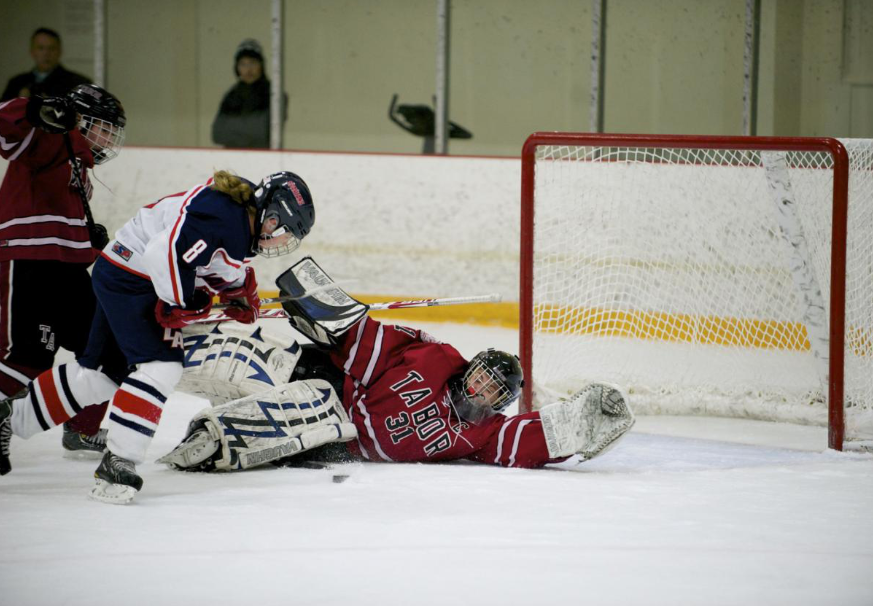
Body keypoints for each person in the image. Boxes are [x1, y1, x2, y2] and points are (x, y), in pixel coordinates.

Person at [0, 169, 317, 505]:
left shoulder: (237, 218)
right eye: (285, 232)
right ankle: (118, 463)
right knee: (161, 366)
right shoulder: (224, 216)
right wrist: (179, 301)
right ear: (272, 216)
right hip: (133, 279)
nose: (283, 241)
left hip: (119, 271)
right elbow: (162, 253)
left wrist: (237, 290)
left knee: (100, 374)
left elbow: (210, 257)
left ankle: (10, 417)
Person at [160, 301, 636, 473]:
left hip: (338, 425)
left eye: (493, 390)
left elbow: (526, 440)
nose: (480, 388)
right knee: (228, 359)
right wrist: (326, 312)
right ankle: (134, 359)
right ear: (469, 366)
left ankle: (211, 442)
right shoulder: (436, 357)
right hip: (333, 377)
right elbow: (366, 340)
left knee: (285, 417)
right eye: (481, 375)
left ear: (500, 403)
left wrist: (577, 425)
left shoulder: (484, 434)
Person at [0, 83, 127, 456]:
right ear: (81, 120)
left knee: (113, 348)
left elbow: (59, 225)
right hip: (29, 264)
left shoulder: (80, 164)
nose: (109, 137)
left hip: (66, 272)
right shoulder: (50, 135)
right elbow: (5, 121)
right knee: (29, 357)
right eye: (104, 126)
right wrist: (37, 108)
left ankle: (82, 429)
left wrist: (88, 240)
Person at [212, 39, 282, 149]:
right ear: (237, 68)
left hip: (263, 159)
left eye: (252, 63)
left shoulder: (274, 94)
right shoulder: (231, 96)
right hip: (231, 160)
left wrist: (234, 130)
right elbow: (217, 134)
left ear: (261, 65)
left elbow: (262, 133)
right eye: (243, 64)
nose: (248, 69)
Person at [1, 28, 93, 102]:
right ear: (32, 51)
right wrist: (19, 102)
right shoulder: (17, 83)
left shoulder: (78, 84)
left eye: (52, 48)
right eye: (41, 48)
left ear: (59, 51)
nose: (46, 53)